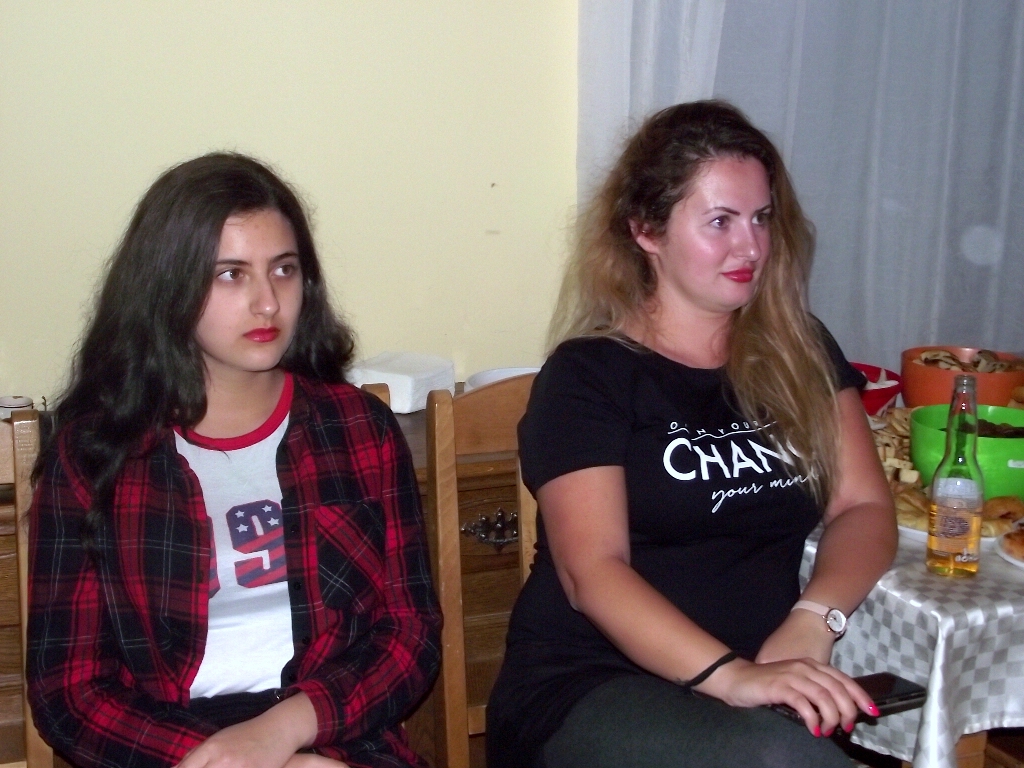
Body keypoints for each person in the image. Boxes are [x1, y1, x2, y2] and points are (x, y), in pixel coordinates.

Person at [486, 101, 898, 768]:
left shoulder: (798, 348)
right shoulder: (588, 375)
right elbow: (593, 572)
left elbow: (864, 505)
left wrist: (815, 618)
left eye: (761, 218)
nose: (751, 247)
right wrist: (732, 677)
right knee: (782, 760)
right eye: (720, 221)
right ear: (646, 230)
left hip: (762, 683)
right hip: (597, 683)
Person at [27, 153, 441, 768]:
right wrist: (231, 757)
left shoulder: (358, 429)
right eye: (230, 275)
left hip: (334, 735)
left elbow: (409, 637)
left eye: (284, 270)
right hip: (171, 749)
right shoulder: (95, 454)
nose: (268, 303)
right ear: (169, 284)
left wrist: (284, 733)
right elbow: (69, 693)